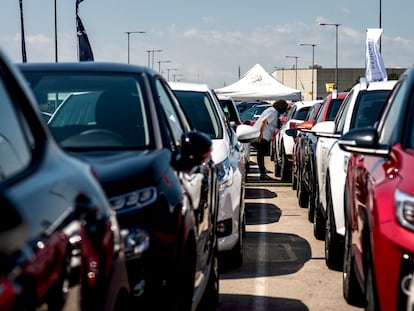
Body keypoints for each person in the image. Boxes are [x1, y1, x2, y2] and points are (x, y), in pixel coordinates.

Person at [253, 99, 288, 180]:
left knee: (260, 155)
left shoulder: (271, 110)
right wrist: (260, 134)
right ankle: (262, 174)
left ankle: (263, 173)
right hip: (262, 136)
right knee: (260, 155)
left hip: (263, 136)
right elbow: (264, 121)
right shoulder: (273, 112)